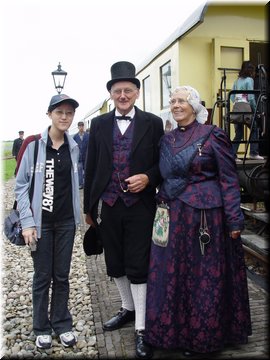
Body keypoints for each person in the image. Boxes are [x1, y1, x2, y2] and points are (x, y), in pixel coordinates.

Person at [145, 86, 252, 356]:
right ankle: (173, 335)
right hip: (171, 217)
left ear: (194, 106)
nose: (176, 105)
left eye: (181, 101)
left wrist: (234, 220)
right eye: (172, 101)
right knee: (173, 277)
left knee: (201, 279)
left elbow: (228, 179)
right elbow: (162, 174)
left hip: (205, 221)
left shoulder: (213, 135)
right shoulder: (166, 140)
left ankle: (202, 338)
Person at [83, 61, 164, 359]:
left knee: (138, 265)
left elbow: (161, 163)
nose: (123, 95)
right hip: (109, 205)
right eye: (117, 91)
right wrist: (88, 208)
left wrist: (149, 178)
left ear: (137, 93)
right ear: (111, 95)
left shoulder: (153, 123)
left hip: (140, 206)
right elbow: (91, 166)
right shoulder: (99, 124)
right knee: (114, 262)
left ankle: (142, 328)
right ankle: (127, 308)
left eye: (128, 90)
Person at [15, 94, 81, 349]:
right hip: (40, 225)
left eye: (69, 113)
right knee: (43, 276)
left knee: (62, 276)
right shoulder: (34, 146)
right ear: (50, 114)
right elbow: (20, 187)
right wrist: (28, 222)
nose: (65, 117)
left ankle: (62, 323)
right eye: (60, 112)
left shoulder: (73, 146)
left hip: (66, 223)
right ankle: (41, 326)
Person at [231, 60, 264, 161]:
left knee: (239, 134)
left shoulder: (237, 81)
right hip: (246, 108)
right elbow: (250, 97)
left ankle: (232, 155)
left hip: (236, 108)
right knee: (254, 129)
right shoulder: (249, 80)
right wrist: (255, 110)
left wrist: (238, 102)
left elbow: (232, 97)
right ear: (250, 70)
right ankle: (253, 153)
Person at [73, 121, 89, 189]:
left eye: (82, 126)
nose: (81, 127)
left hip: (86, 156)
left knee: (86, 170)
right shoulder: (75, 137)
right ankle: (80, 184)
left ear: (83, 126)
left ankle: (86, 183)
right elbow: (73, 146)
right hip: (79, 157)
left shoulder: (88, 135)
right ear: (78, 127)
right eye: (80, 126)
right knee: (79, 170)